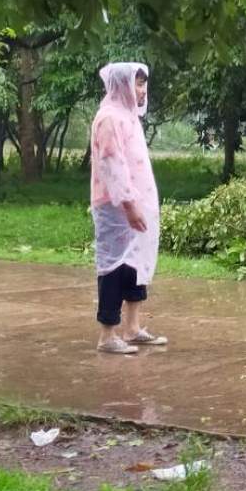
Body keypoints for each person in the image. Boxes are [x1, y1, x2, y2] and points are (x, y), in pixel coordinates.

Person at [90, 61, 166, 355]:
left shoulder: (129, 116)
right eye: (138, 83)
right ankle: (107, 334)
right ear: (122, 85)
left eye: (144, 83)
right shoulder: (108, 118)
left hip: (137, 203)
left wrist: (139, 204)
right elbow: (113, 166)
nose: (142, 90)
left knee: (136, 263)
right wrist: (129, 205)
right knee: (114, 266)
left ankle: (132, 329)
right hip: (115, 207)